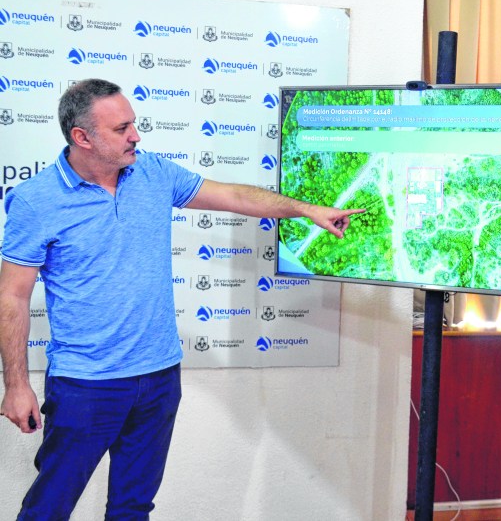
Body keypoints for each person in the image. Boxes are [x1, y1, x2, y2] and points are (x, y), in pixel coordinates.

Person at [0, 78, 364, 519]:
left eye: (133, 124)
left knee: (133, 508)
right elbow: (12, 296)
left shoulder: (153, 173)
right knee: (48, 508)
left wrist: (307, 210)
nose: (136, 136)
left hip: (158, 379)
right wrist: (16, 385)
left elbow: (233, 195)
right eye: (121, 128)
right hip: (86, 384)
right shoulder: (36, 201)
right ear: (82, 137)